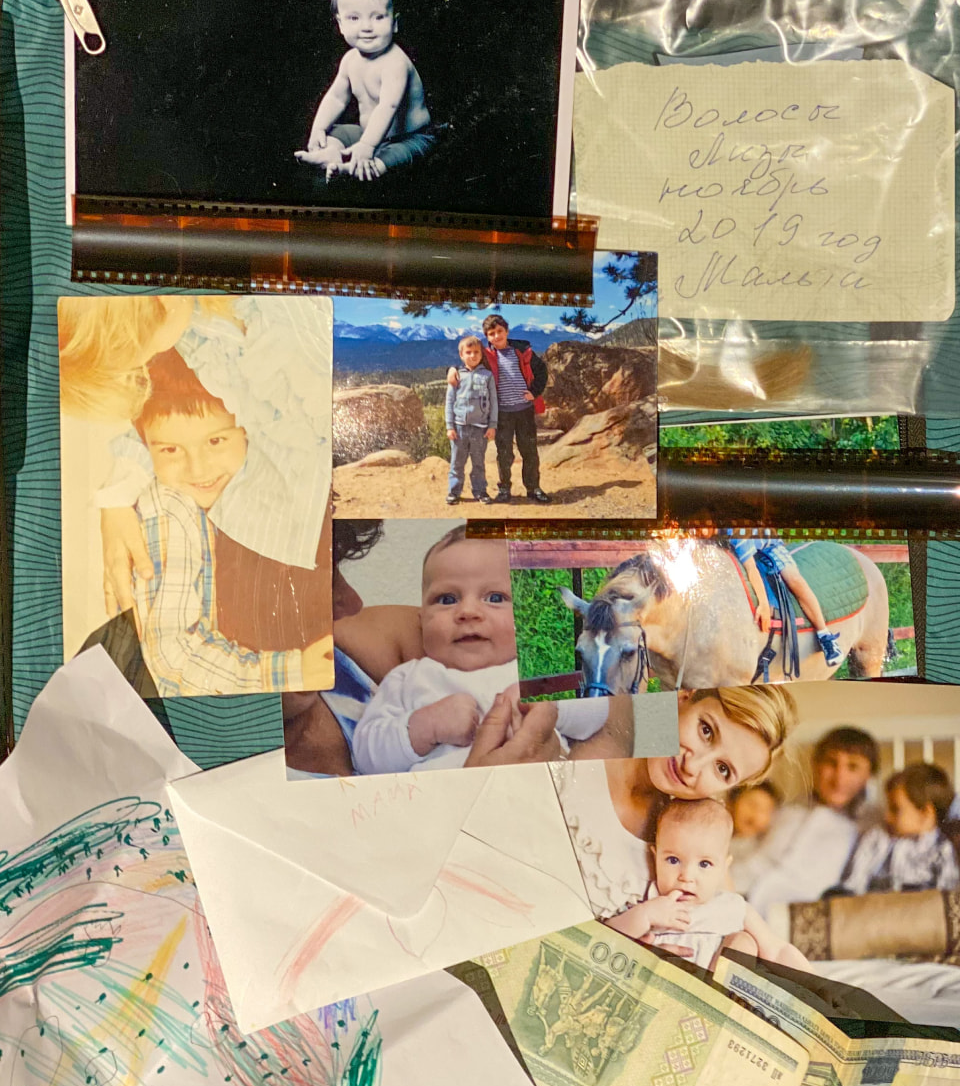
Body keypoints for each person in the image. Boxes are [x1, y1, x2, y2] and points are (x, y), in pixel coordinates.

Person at [282, 520, 634, 777]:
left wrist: (554, 709)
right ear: (423, 616)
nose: (467, 612)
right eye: (446, 599)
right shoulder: (409, 679)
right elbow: (368, 753)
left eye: (495, 598)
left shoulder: (535, 670)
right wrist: (421, 728)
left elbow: (615, 711)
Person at [58, 294, 331, 617]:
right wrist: (115, 500)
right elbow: (166, 425)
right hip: (267, 540)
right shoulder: (189, 330)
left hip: (315, 530)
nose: (136, 366)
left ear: (158, 305)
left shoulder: (280, 318)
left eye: (128, 355)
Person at [130, 350, 332, 696]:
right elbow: (171, 656)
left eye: (215, 441)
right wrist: (292, 671)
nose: (197, 469)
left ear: (246, 433)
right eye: (169, 450)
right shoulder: (171, 509)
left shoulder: (240, 491)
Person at [552, 684, 799, 936]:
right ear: (684, 698)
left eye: (722, 769)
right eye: (706, 731)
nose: (692, 766)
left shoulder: (685, 833)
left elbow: (739, 930)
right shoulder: (599, 714)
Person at [605, 798, 808, 972]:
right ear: (655, 857)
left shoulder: (732, 907)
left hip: (714, 997)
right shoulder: (647, 900)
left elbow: (778, 950)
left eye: (704, 864)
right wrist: (644, 915)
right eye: (673, 860)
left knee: (744, 943)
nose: (687, 876)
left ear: (723, 868)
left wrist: (819, 985)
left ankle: (725, 994)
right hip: (659, 992)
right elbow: (605, 937)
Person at [294, 0, 435, 182]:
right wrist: (319, 129)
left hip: (409, 137)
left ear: (394, 23)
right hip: (368, 133)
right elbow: (336, 98)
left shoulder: (395, 62)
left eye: (378, 17)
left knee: (388, 158)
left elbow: (388, 106)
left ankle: (352, 167)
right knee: (337, 133)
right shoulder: (350, 60)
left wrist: (368, 146)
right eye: (354, 18)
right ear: (340, 24)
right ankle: (332, 153)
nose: (367, 27)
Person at [738, 726, 881, 918]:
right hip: (739, 886)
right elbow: (747, 844)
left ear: (869, 775)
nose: (839, 777)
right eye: (831, 763)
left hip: (790, 908)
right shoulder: (787, 810)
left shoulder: (871, 825)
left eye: (853, 767)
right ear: (816, 765)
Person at [447, 314, 549, 505]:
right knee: (504, 453)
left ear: (506, 331)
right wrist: (452, 369)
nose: (496, 336)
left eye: (499, 331)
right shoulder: (486, 355)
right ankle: (504, 489)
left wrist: (534, 392)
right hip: (502, 413)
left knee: (529, 451)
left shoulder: (522, 350)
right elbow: (469, 363)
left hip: (525, 410)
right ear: (487, 336)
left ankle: (533, 488)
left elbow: (542, 370)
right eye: (491, 334)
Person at [829, 763, 959, 896]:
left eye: (895, 809)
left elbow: (947, 893)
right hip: (874, 910)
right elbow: (855, 880)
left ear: (925, 814)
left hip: (921, 912)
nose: (887, 817)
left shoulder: (942, 849)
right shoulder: (877, 839)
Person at [727, 534, 843, 667]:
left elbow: (752, 568)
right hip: (741, 555)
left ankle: (825, 635)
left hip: (769, 549)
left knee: (793, 579)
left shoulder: (738, 535)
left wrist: (764, 603)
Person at [444, 335, 497, 506]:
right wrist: (449, 426)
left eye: (476, 352)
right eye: (468, 352)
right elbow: (450, 402)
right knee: (457, 463)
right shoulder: (457, 376)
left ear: (481, 354)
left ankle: (480, 491)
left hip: (480, 428)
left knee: (478, 463)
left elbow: (493, 402)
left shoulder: (487, 376)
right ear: (461, 355)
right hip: (459, 428)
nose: (473, 356)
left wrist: (492, 425)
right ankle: (454, 492)